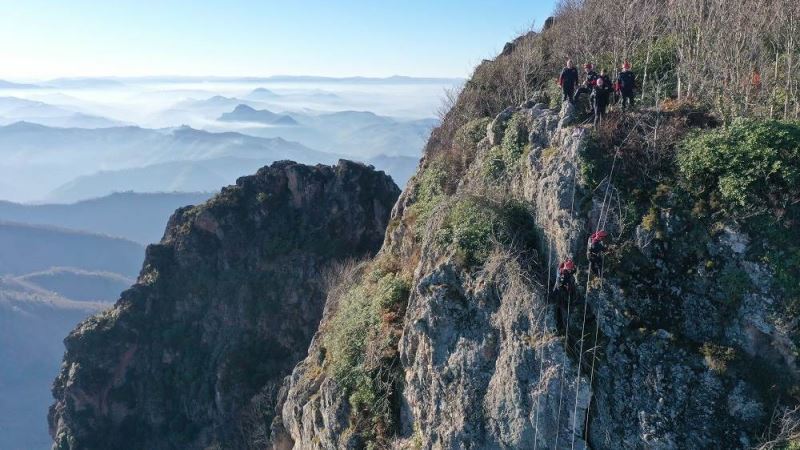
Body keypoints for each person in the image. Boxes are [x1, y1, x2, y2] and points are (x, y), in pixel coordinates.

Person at [553, 259, 577, 329]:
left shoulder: (560, 267)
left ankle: (561, 324)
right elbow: (562, 285)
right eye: (570, 269)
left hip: (557, 291)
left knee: (560, 307)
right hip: (559, 293)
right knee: (562, 307)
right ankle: (560, 326)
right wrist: (568, 288)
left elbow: (571, 272)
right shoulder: (563, 275)